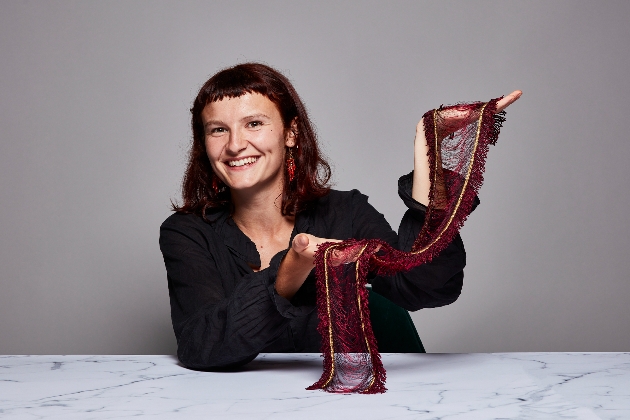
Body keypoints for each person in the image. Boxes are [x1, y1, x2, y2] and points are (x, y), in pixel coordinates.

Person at [159, 63, 521, 370]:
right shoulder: (187, 233)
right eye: (218, 129)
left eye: (254, 124)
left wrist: (428, 151)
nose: (235, 144)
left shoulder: (344, 212)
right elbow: (200, 344)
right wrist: (290, 271)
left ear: (291, 133)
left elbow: (424, 284)